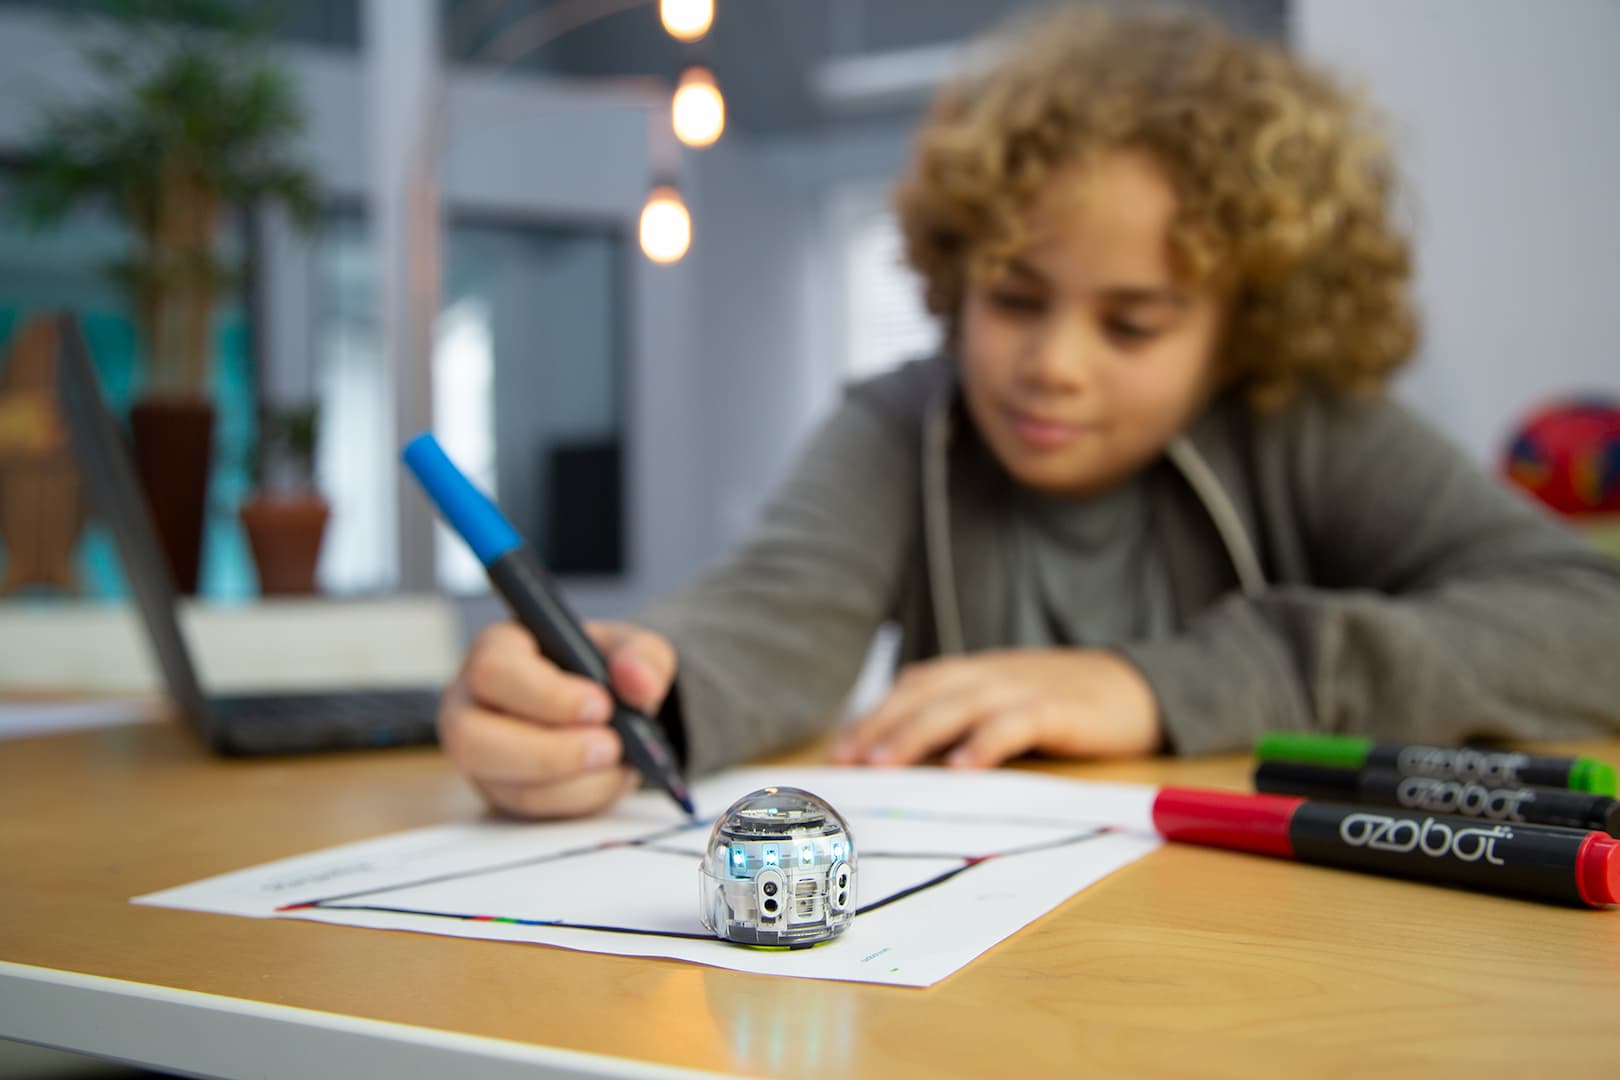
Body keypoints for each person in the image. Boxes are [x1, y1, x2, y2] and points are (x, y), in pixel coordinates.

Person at [437, 7, 1620, 819]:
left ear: (1243, 325)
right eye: (1013, 297)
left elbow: (1585, 623)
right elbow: (773, 617)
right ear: (956, 271)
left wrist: (1166, 684)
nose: (1050, 365)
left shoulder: (1301, 426)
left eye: (1134, 323)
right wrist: (629, 697)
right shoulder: (900, 428)